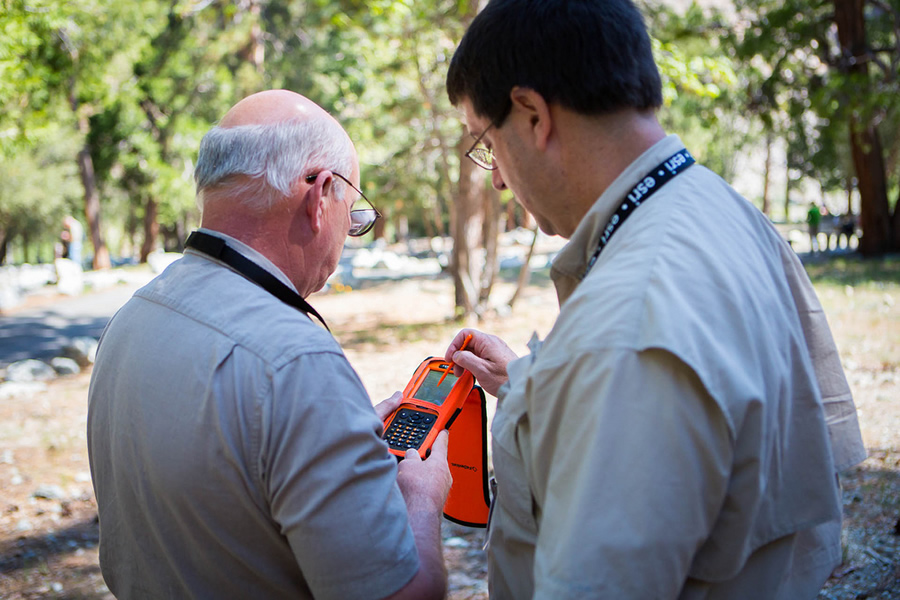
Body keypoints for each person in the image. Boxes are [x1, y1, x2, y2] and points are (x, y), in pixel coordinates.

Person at [443, 1, 866, 598]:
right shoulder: (724, 210)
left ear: (533, 115)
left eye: (486, 142)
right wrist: (534, 386)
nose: (497, 178)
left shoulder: (628, 323)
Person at [87, 90, 451, 600]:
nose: (348, 234)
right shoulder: (297, 365)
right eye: (352, 213)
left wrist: (327, 441)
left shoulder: (133, 316)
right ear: (319, 196)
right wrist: (423, 498)